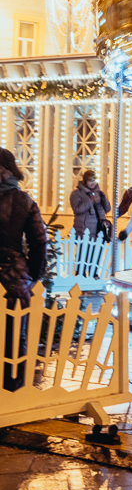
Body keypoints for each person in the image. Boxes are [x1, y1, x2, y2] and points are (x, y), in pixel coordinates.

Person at [0, 148, 47, 391]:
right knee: (13, 332)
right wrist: (33, 275)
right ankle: (11, 385)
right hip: (13, 272)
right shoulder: (23, 200)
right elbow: (39, 241)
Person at [70, 170, 111, 239]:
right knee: (85, 249)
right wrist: (90, 201)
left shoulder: (99, 193)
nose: (93, 183)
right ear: (85, 181)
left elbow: (107, 209)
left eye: (94, 180)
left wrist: (104, 199)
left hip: (99, 228)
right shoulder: (77, 193)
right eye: (90, 181)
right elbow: (77, 209)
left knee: (98, 249)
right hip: (85, 229)